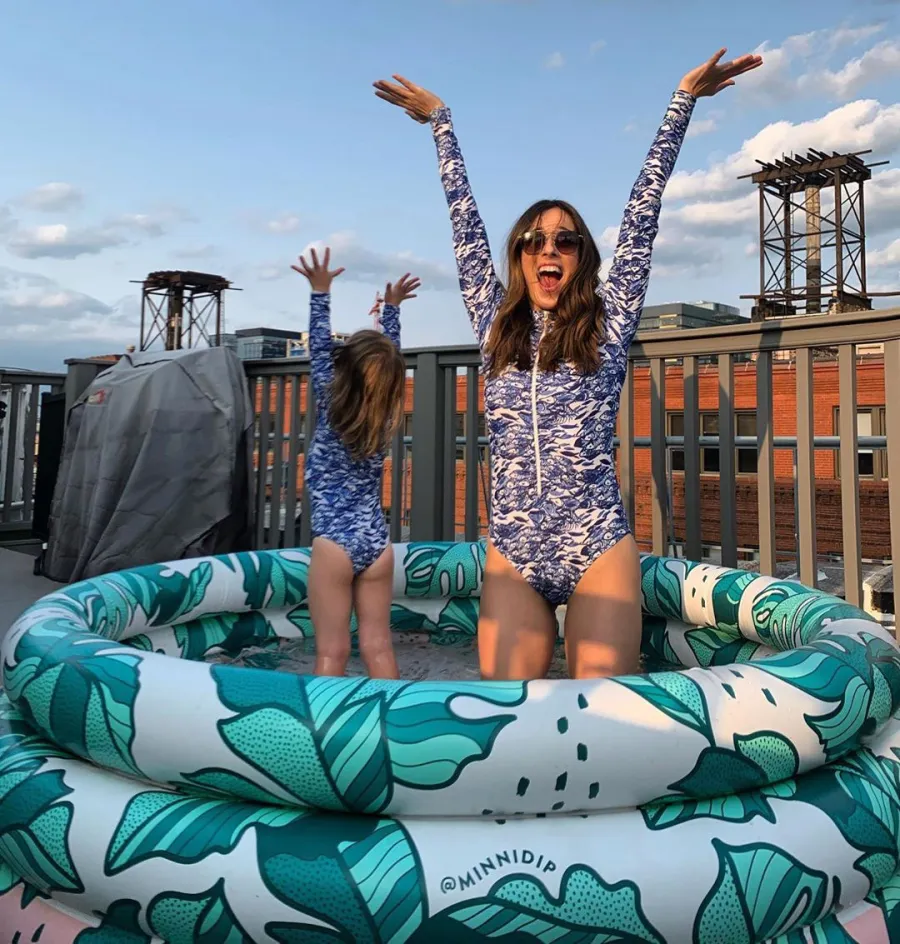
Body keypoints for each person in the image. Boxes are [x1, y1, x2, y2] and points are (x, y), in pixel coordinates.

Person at [374, 49, 763, 681]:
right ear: (519, 256)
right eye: (535, 240)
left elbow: (644, 213)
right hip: (514, 553)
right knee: (504, 717)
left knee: (604, 716)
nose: (549, 248)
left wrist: (682, 100)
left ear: (582, 257)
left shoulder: (607, 324)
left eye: (566, 240)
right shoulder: (492, 323)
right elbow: (463, 224)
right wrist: (441, 122)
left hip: (596, 544)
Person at [293, 247, 420, 679]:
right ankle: (398, 730)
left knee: (331, 652)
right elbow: (389, 362)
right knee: (378, 646)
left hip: (334, 545)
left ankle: (324, 739)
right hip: (377, 545)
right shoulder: (384, 412)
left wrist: (320, 291)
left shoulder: (331, 401)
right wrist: (392, 313)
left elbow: (319, 348)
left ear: (342, 369)